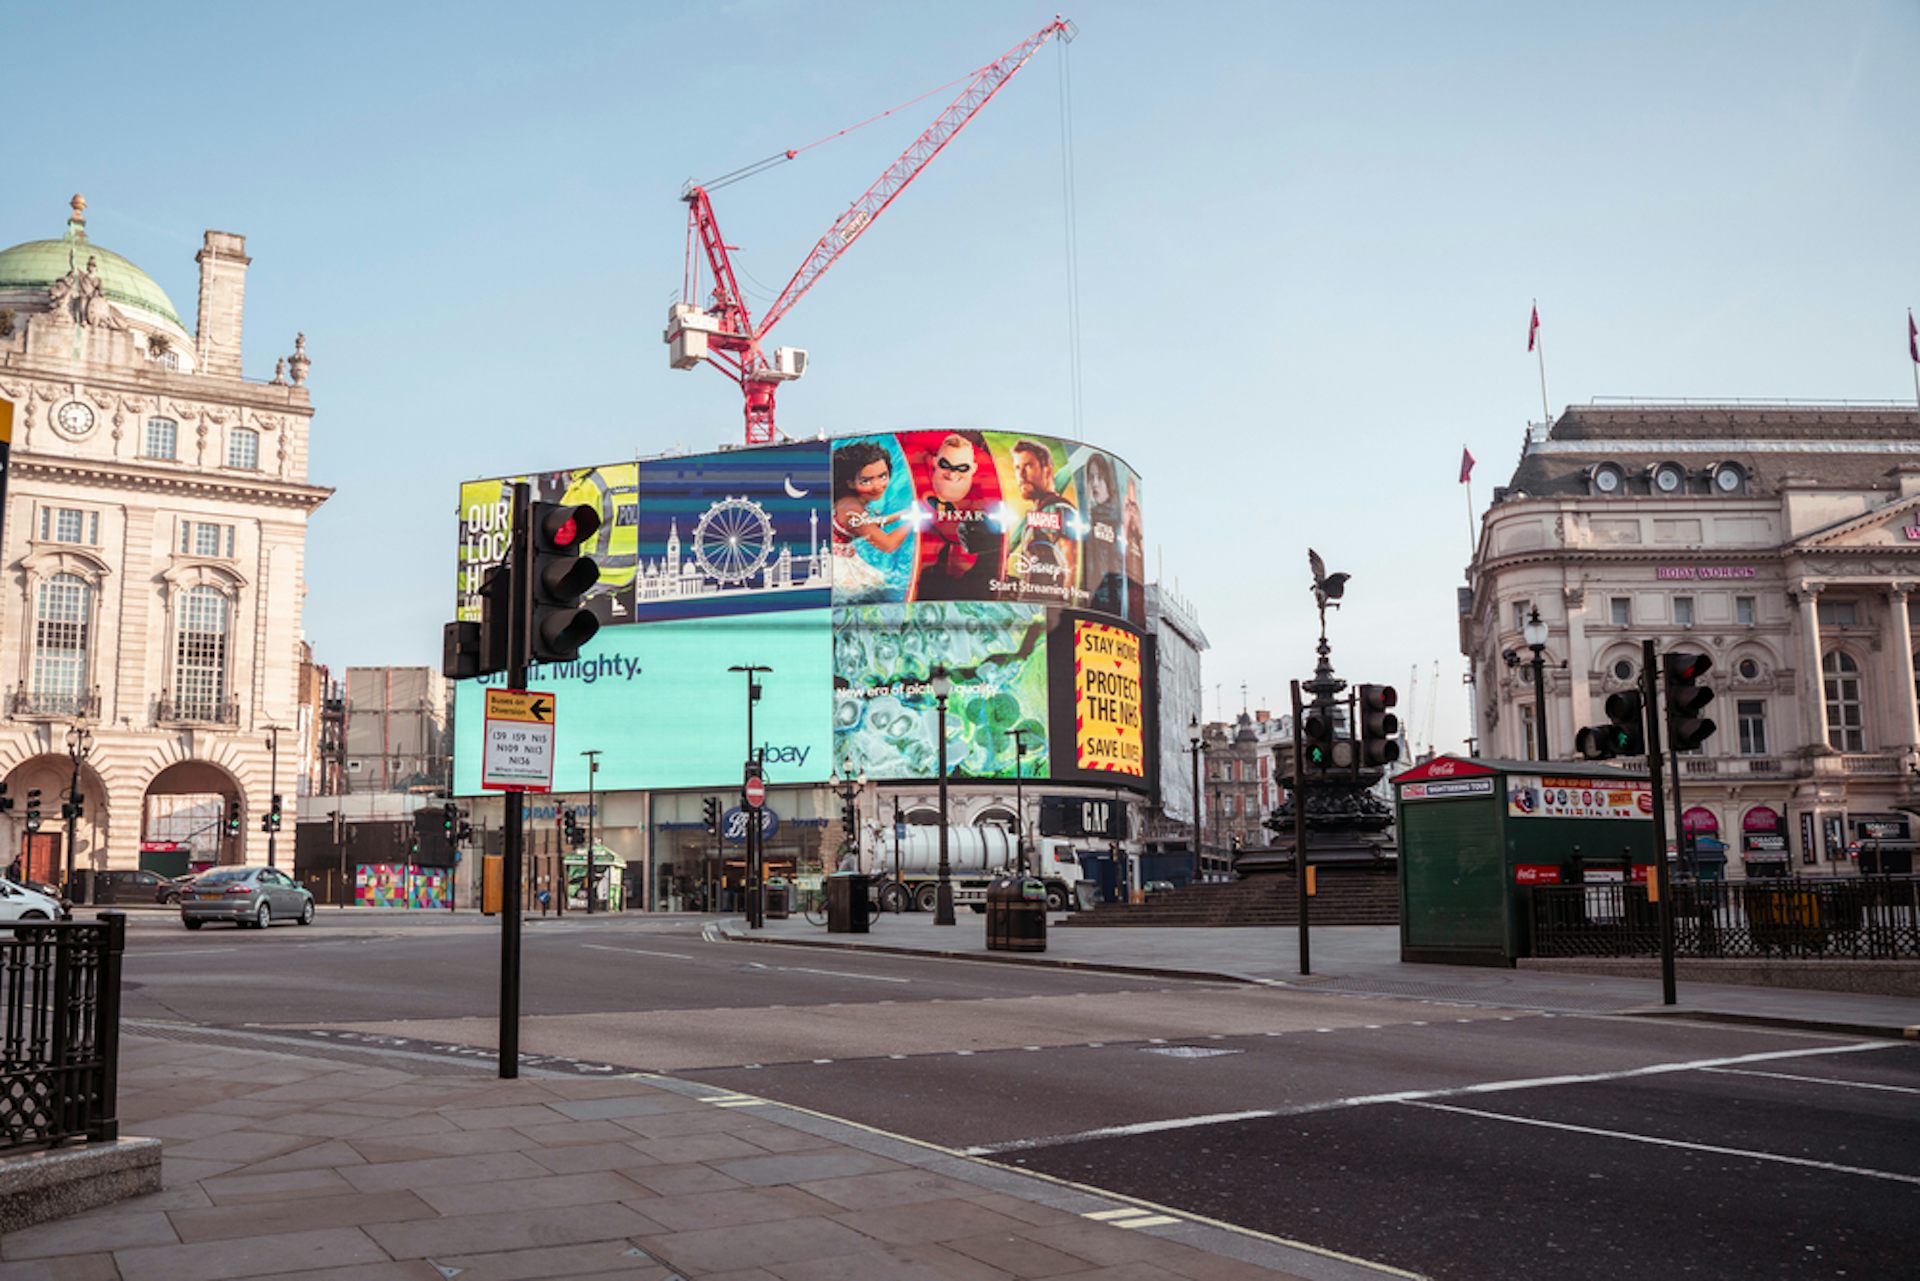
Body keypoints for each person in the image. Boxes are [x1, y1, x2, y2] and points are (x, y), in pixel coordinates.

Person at [916, 432, 1002, 601]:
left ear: (973, 468)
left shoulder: (988, 498)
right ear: (934, 462)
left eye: (961, 467)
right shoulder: (918, 485)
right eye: (946, 465)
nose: (952, 473)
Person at [831, 442, 911, 600]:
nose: (877, 486)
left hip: (845, 558)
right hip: (838, 566)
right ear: (850, 483)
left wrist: (900, 515)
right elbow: (887, 544)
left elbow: (871, 524)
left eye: (883, 476)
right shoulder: (852, 508)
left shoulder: (850, 501)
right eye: (866, 481)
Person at [1007, 440, 1078, 600]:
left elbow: (1072, 567)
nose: (1021, 475)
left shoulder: (1058, 510)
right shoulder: (1039, 513)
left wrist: (1063, 613)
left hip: (1051, 614)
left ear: (1047, 470)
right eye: (1018, 468)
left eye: (1028, 466)